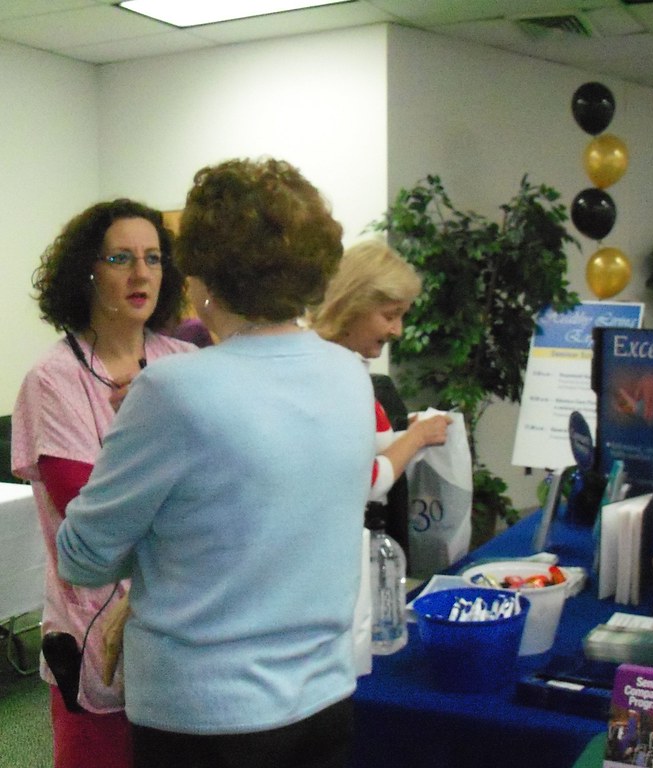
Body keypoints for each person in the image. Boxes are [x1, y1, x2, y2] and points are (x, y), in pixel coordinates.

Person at [55, 157, 376, 768]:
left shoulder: (174, 391)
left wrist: (132, 445)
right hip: (325, 699)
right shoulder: (346, 373)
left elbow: (82, 557)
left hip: (207, 719)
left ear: (201, 270)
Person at [11, 198, 194, 768]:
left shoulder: (184, 361)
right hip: (94, 633)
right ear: (87, 271)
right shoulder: (54, 380)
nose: (142, 274)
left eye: (154, 258)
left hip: (184, 625)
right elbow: (95, 521)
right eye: (121, 258)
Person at [309, 239, 450, 544]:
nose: (397, 330)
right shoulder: (336, 376)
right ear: (351, 307)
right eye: (389, 316)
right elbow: (366, 481)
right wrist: (416, 438)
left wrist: (409, 437)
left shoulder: (338, 367)